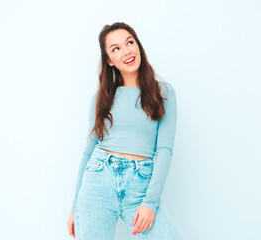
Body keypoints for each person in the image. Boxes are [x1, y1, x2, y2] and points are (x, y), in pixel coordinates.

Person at [66, 22, 184, 239]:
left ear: (138, 46)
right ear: (109, 61)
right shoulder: (101, 98)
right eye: (116, 48)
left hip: (140, 185)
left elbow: (165, 150)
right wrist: (74, 207)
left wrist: (150, 202)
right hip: (97, 184)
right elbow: (88, 151)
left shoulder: (164, 93)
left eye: (130, 42)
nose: (127, 50)